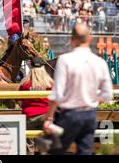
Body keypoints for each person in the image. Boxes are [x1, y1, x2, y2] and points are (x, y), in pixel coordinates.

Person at [43, 23, 113, 155]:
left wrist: (49, 118)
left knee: (55, 151)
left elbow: (57, 94)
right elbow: (107, 95)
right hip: (89, 114)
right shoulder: (100, 62)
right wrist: (92, 97)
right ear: (90, 38)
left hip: (69, 114)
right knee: (85, 152)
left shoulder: (64, 60)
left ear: (72, 40)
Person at [18, 57, 53, 154]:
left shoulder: (25, 84)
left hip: (28, 116)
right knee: (44, 147)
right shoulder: (49, 83)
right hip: (45, 115)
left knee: (28, 146)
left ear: (31, 67)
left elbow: (19, 100)